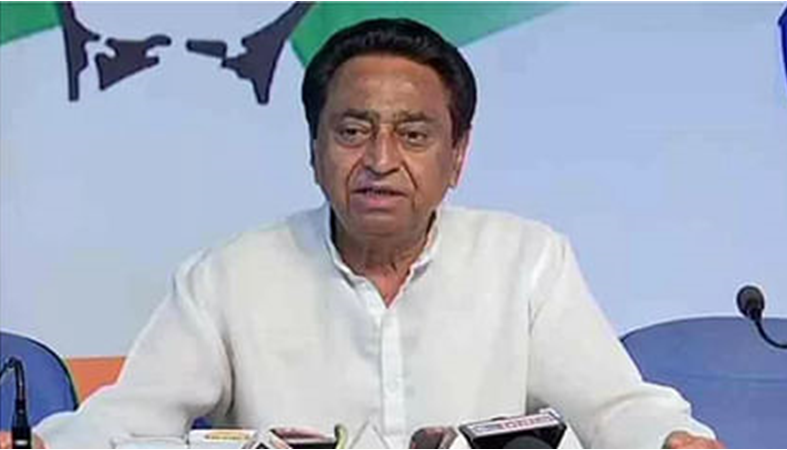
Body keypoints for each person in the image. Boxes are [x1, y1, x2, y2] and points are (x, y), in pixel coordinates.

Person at [5, 18, 723, 448]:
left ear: (458, 155)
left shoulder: (526, 261)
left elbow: (613, 407)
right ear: (314, 148)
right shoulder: (227, 277)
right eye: (352, 131)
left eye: (413, 134)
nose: (380, 160)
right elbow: (131, 418)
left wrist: (671, 439)